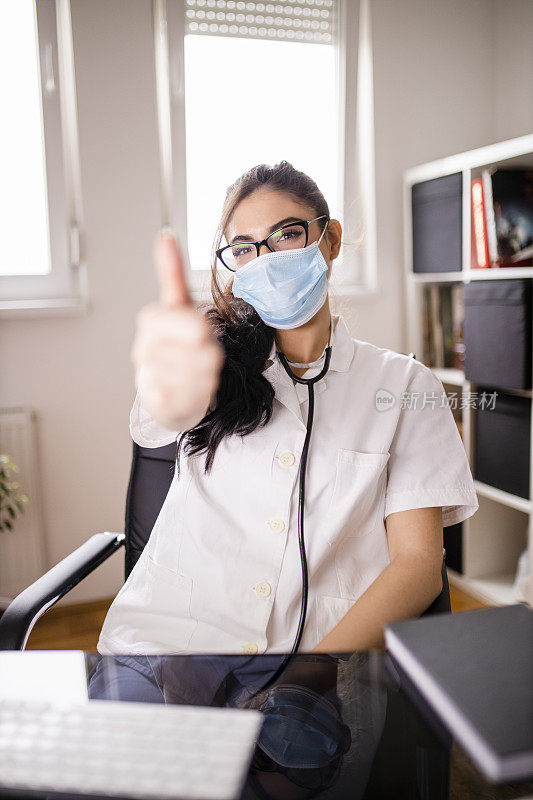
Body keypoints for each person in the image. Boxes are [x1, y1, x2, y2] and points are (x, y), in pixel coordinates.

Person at [97, 160, 479, 658]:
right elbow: (162, 415)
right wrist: (165, 390)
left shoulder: (404, 386)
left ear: (331, 240)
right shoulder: (210, 364)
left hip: (326, 660)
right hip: (174, 647)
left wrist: (311, 674)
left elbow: (418, 566)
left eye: (285, 235)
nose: (265, 260)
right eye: (244, 248)